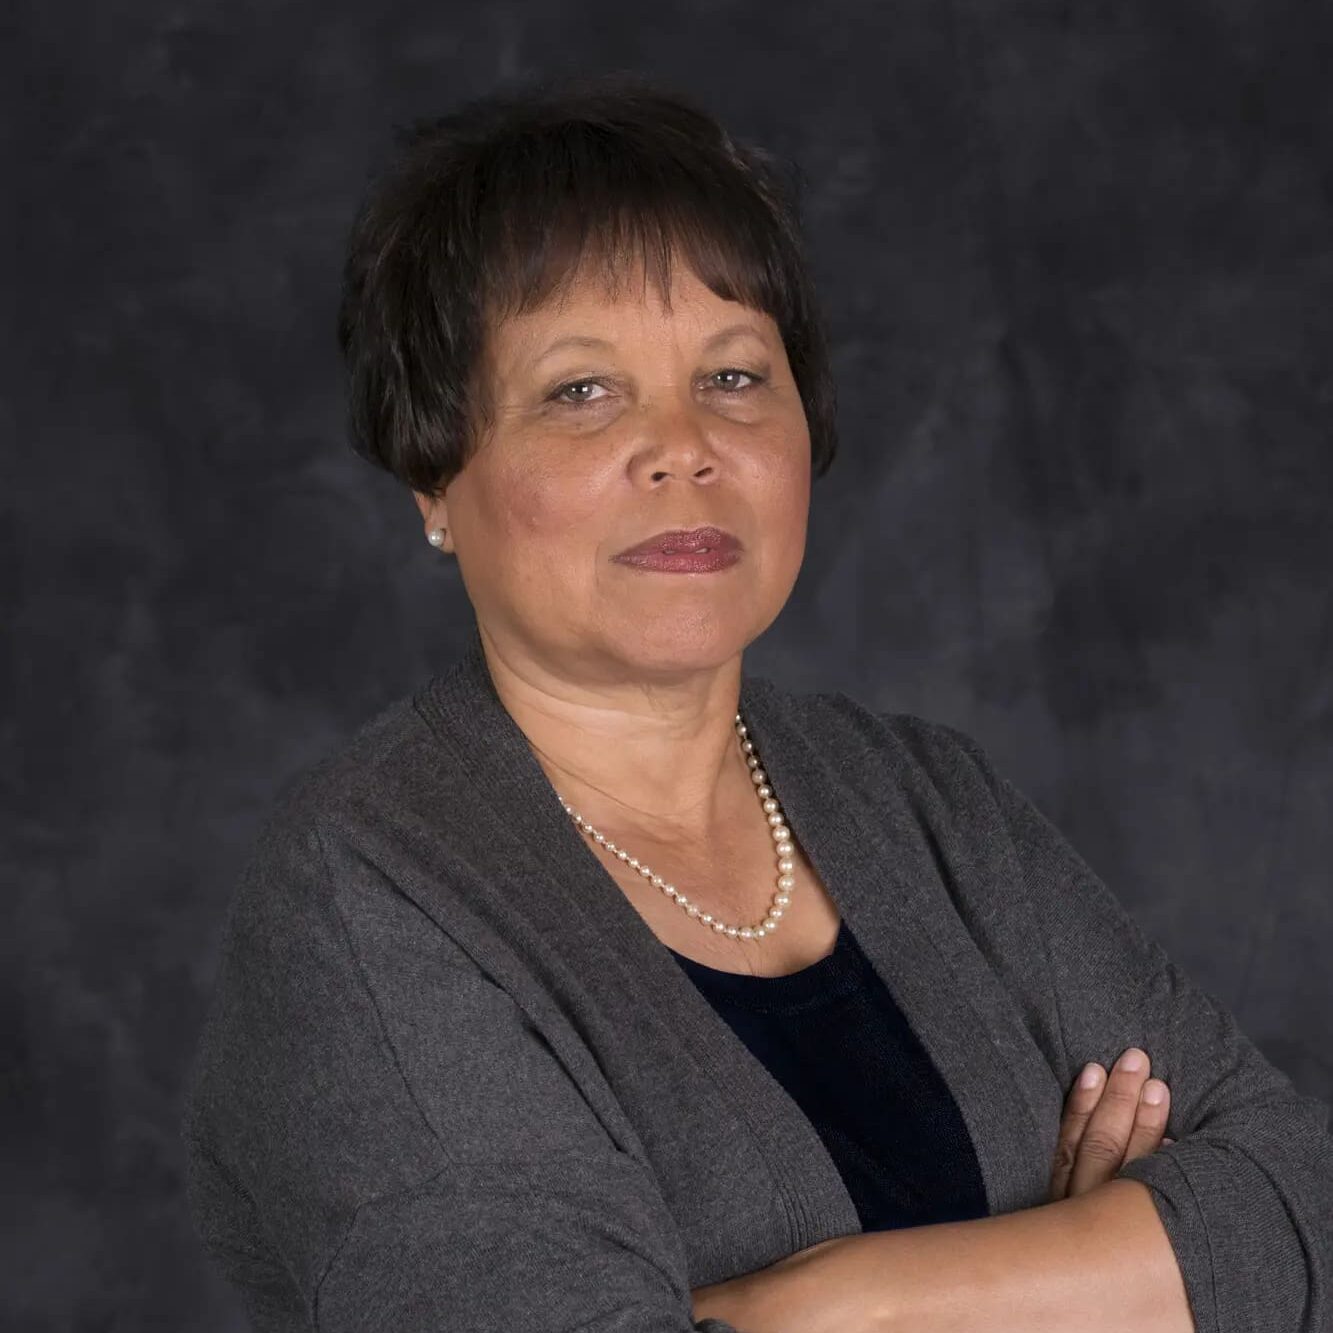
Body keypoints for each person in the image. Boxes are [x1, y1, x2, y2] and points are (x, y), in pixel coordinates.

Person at [182, 74, 1333, 1332]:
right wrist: (1093, 1267)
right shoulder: (363, 898)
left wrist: (828, 1304)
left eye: (732, 377)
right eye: (581, 389)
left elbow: (1302, 1208)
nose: (683, 445)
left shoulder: (928, 797)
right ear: (434, 478)